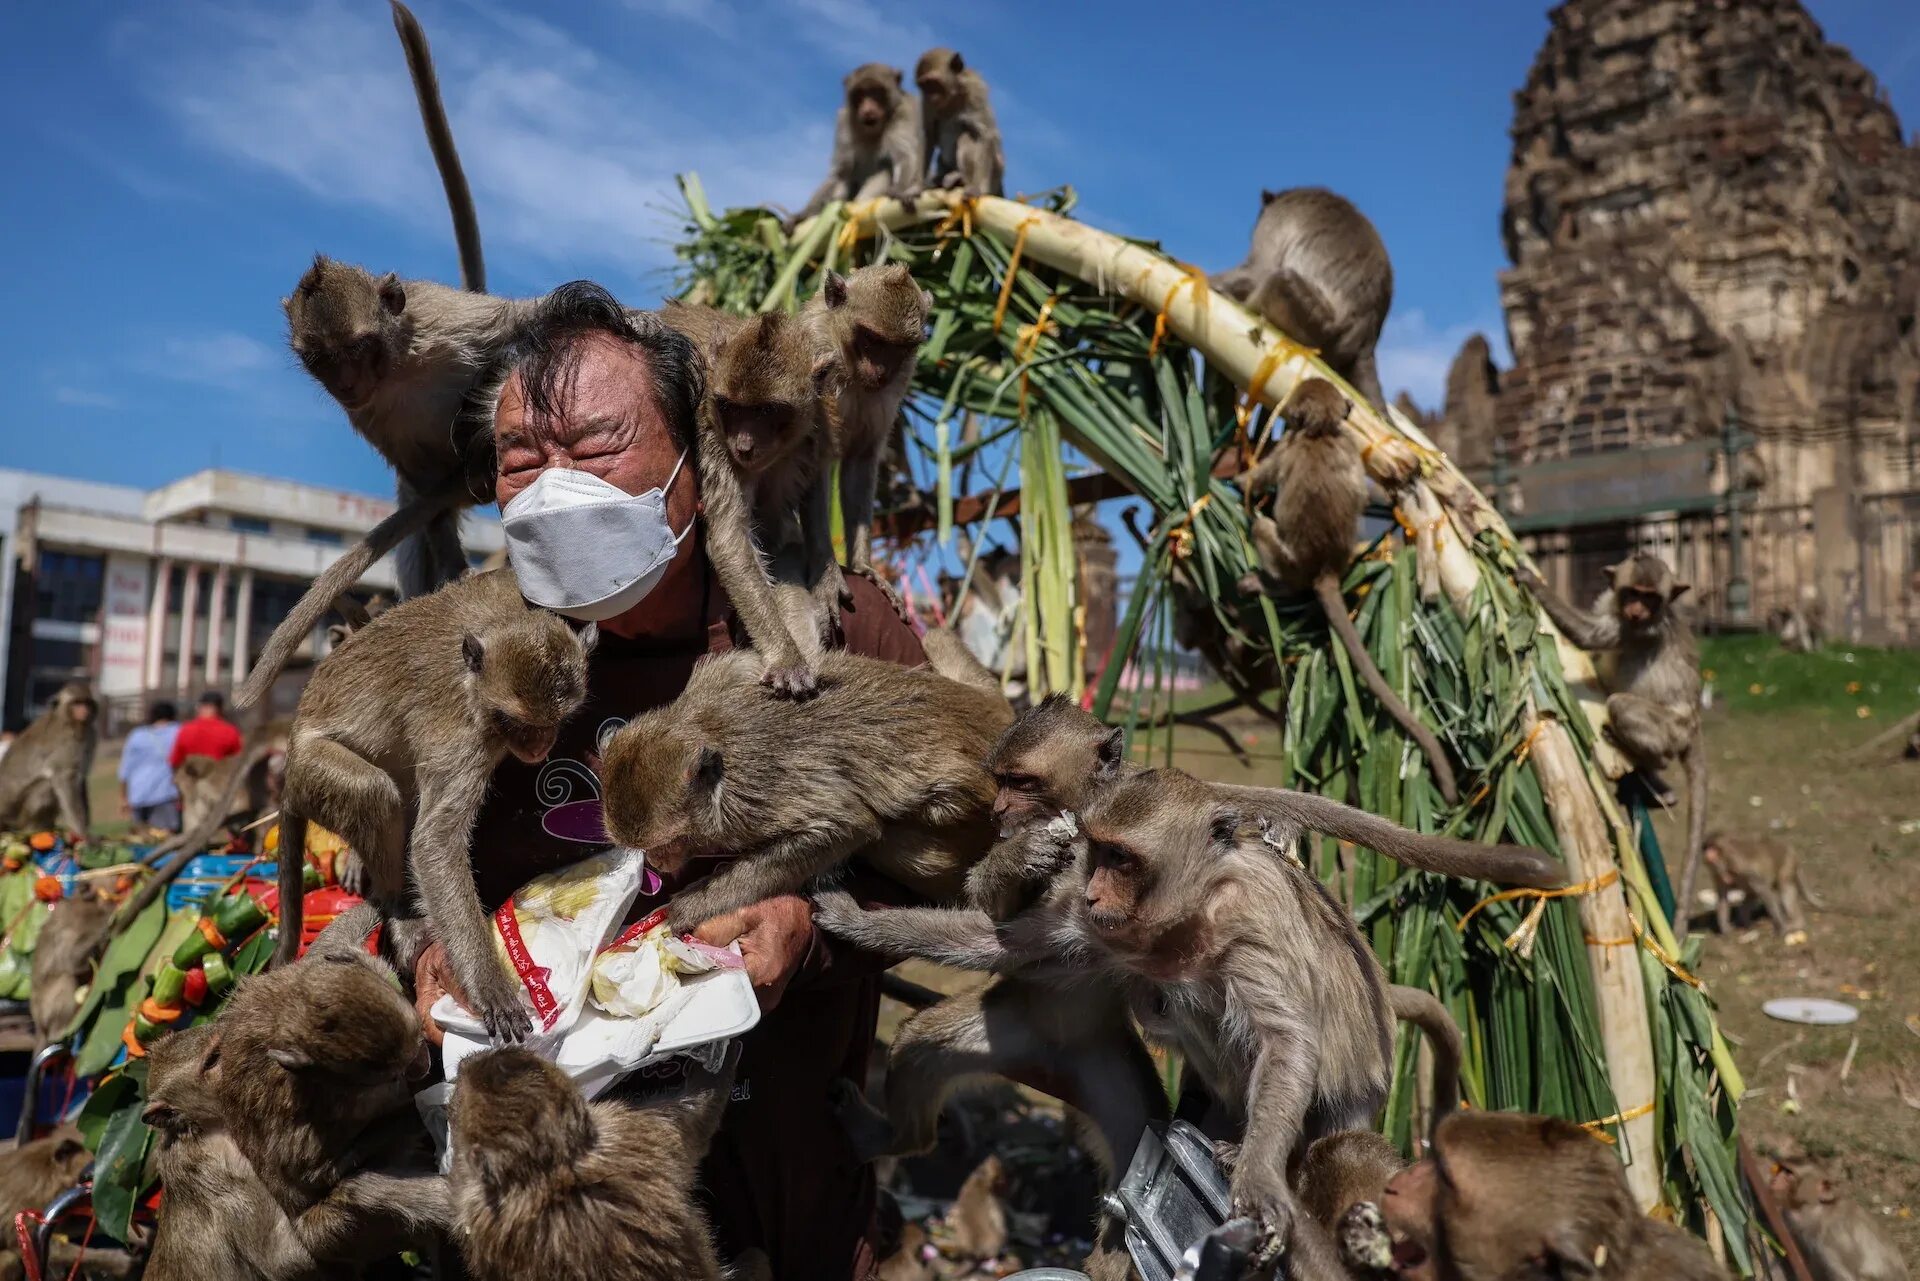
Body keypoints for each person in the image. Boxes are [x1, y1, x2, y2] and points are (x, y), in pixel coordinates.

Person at [412, 283, 924, 1281]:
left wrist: (809, 932)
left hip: (784, 1199)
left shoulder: (829, 634)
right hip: (536, 1209)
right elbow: (398, 877)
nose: (557, 488)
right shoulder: (476, 656)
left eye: (597, 447)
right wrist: (426, 959)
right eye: (524, 457)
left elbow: (948, 858)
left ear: (698, 453)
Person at [118, 701, 182, 834]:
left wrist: (124, 798)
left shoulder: (137, 735)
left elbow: (124, 770)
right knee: (166, 837)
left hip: (138, 794)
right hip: (164, 794)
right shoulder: (178, 731)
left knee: (141, 838)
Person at [167, 690, 243, 769]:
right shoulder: (230, 731)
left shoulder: (185, 729)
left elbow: (175, 761)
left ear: (199, 707)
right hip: (218, 778)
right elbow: (237, 760)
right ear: (220, 709)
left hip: (191, 778)